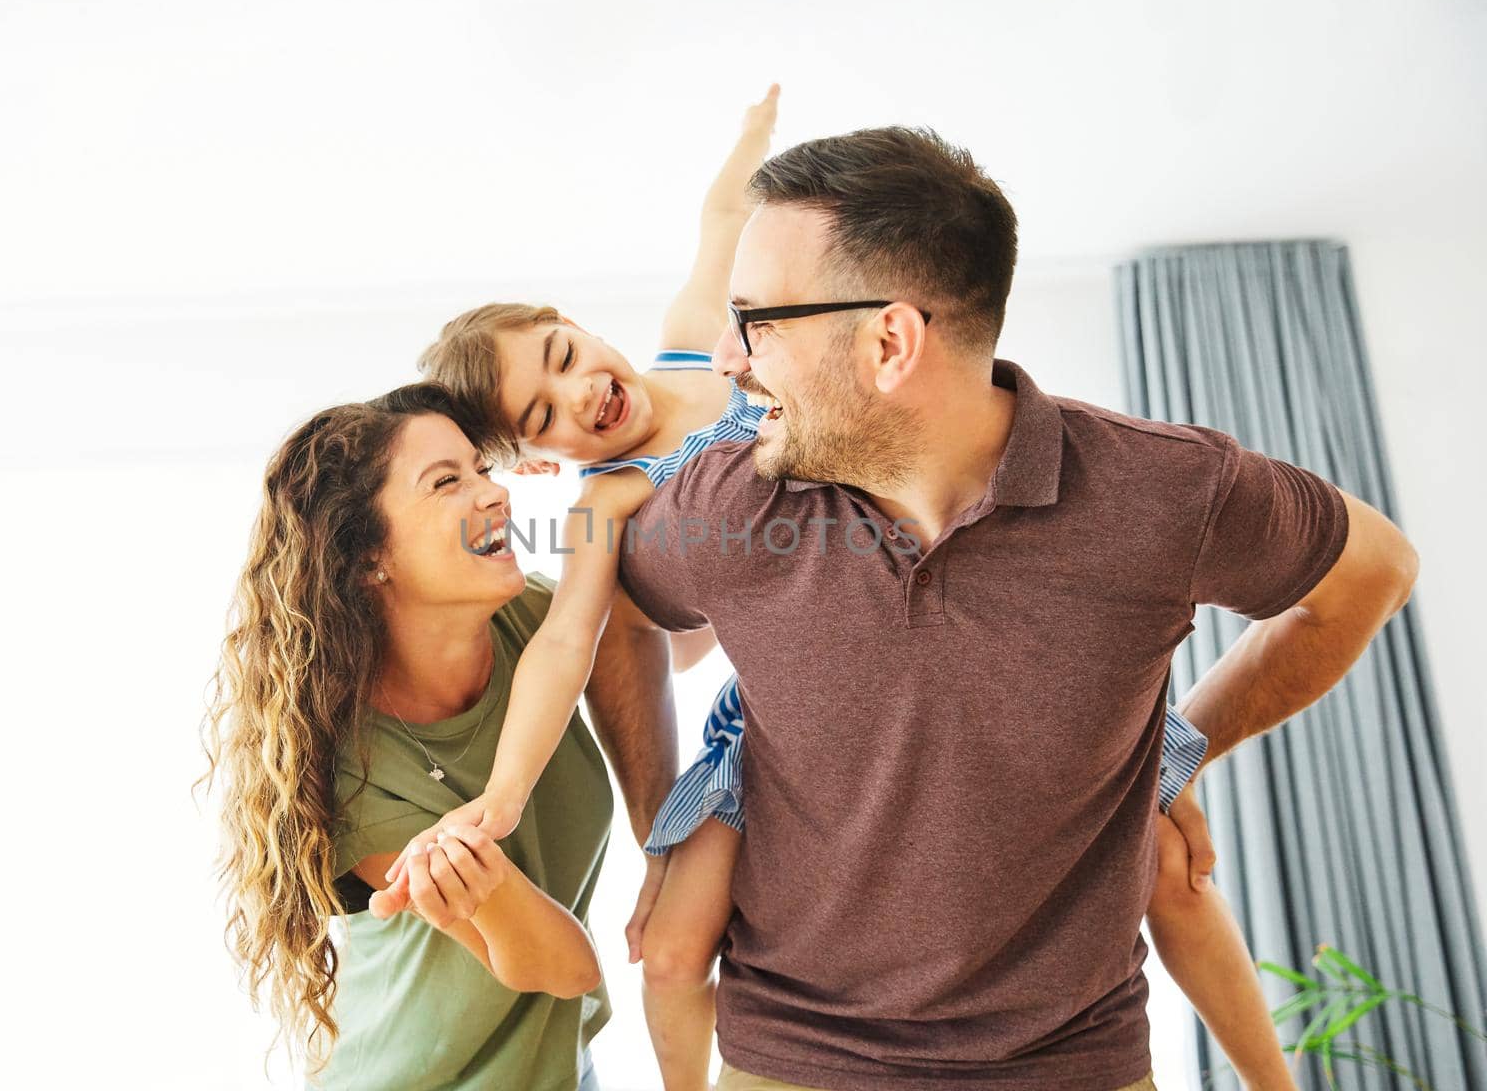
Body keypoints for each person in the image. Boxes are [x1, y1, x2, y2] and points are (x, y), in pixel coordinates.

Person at [383, 105, 1326, 1091]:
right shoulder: (607, 503)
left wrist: (756, 139)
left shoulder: (692, 345)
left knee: (1173, 868)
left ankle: (1271, 1077)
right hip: (774, 716)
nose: (580, 390)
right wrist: (505, 796)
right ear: (538, 461)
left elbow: (720, 221)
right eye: (544, 412)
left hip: (970, 637)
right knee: (668, 943)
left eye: (564, 351)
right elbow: (569, 644)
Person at [605, 126, 1419, 1091]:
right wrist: (661, 816)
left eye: (759, 321)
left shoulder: (1164, 492)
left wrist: (1177, 746)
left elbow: (1372, 573)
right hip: (790, 1063)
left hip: (1079, 1068)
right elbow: (616, 612)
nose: (730, 359)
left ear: (889, 342)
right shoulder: (728, 505)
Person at [200, 382, 676, 1091]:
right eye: (447, 482)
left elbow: (660, 629)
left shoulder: (541, 629)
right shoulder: (353, 774)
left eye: (483, 469)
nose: (494, 494)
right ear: (367, 558)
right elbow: (563, 966)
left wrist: (664, 843)